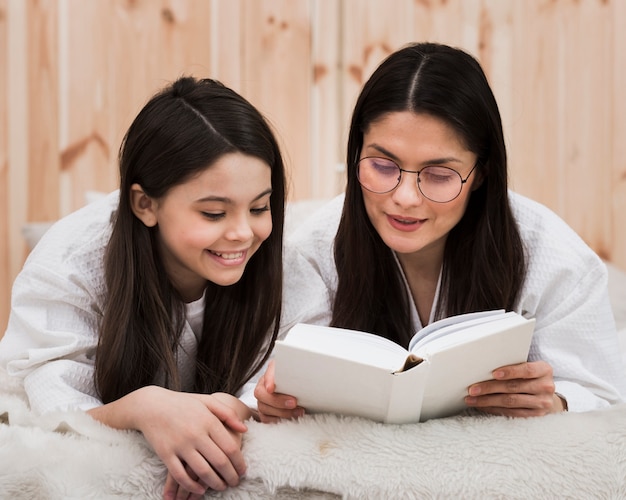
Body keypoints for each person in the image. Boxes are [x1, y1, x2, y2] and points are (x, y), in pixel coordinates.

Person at [255, 41, 626, 422]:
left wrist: (556, 402)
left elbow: (603, 396)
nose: (405, 198)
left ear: (481, 173)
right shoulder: (313, 250)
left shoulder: (557, 259)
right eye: (383, 165)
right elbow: (265, 379)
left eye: (439, 175)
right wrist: (271, 401)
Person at [0, 76, 286, 499]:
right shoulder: (71, 262)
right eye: (213, 213)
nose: (244, 233)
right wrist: (144, 407)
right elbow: (51, 407)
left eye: (260, 207)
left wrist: (236, 410)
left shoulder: (277, 259)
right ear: (144, 204)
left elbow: (281, 371)